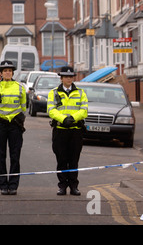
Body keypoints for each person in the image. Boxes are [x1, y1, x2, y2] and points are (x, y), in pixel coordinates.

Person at [47, 66, 88, 196]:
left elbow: (84, 110)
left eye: (70, 77)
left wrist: (73, 118)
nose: (68, 79)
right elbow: (51, 110)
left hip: (75, 131)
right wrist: (64, 119)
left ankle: (74, 186)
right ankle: (62, 186)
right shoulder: (53, 93)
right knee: (61, 159)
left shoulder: (81, 93)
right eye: (66, 77)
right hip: (60, 130)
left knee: (74, 159)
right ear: (61, 78)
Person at [0, 60, 26, 195]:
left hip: (15, 125)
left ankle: (13, 185)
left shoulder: (20, 87)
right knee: (1, 155)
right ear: (1, 73)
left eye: (10, 70)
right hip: (0, 125)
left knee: (15, 156)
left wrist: (15, 117)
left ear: (12, 73)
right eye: (5, 71)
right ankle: (3, 185)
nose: (8, 73)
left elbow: (23, 107)